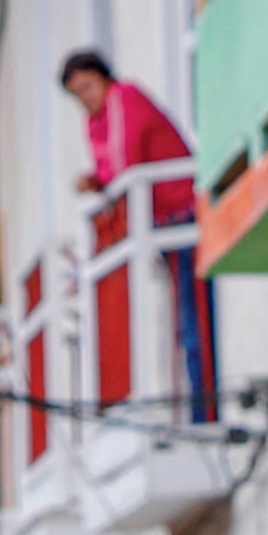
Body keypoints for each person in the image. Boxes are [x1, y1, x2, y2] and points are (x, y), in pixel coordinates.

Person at [61, 49, 219, 423]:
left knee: (194, 322)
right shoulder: (96, 121)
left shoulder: (123, 99)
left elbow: (126, 162)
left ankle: (205, 415)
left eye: (87, 87)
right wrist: (95, 182)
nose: (84, 99)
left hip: (182, 217)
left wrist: (104, 186)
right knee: (182, 325)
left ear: (104, 78)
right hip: (161, 226)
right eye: (77, 94)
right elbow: (112, 174)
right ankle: (193, 412)